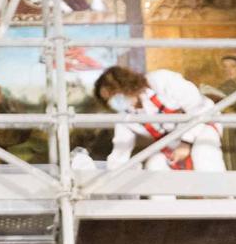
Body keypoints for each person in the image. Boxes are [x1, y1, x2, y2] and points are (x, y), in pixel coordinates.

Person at [91, 64, 224, 172]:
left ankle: (222, 202)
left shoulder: (161, 80)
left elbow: (199, 107)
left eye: (115, 94)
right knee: (154, 166)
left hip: (203, 124)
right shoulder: (125, 117)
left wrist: (186, 142)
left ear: (125, 84)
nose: (114, 101)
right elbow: (120, 150)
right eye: (109, 100)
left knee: (203, 153)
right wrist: (109, 176)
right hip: (174, 142)